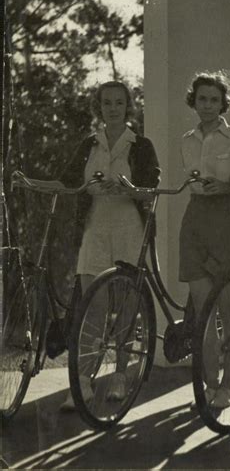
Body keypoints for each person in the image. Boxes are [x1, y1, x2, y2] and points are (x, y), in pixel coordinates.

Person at [59, 80, 159, 409]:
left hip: (129, 227)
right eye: (106, 103)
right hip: (95, 228)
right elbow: (69, 180)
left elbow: (150, 191)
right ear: (99, 107)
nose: (112, 108)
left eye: (118, 103)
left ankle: (119, 375)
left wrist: (128, 188)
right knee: (92, 306)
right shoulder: (90, 144)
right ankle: (83, 383)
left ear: (127, 106)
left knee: (128, 305)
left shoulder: (140, 145)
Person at [179, 71, 230, 409]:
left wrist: (228, 186)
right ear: (194, 101)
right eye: (202, 99)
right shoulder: (187, 139)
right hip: (194, 220)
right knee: (203, 313)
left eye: (214, 99)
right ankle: (210, 384)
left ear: (223, 103)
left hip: (227, 220)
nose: (208, 105)